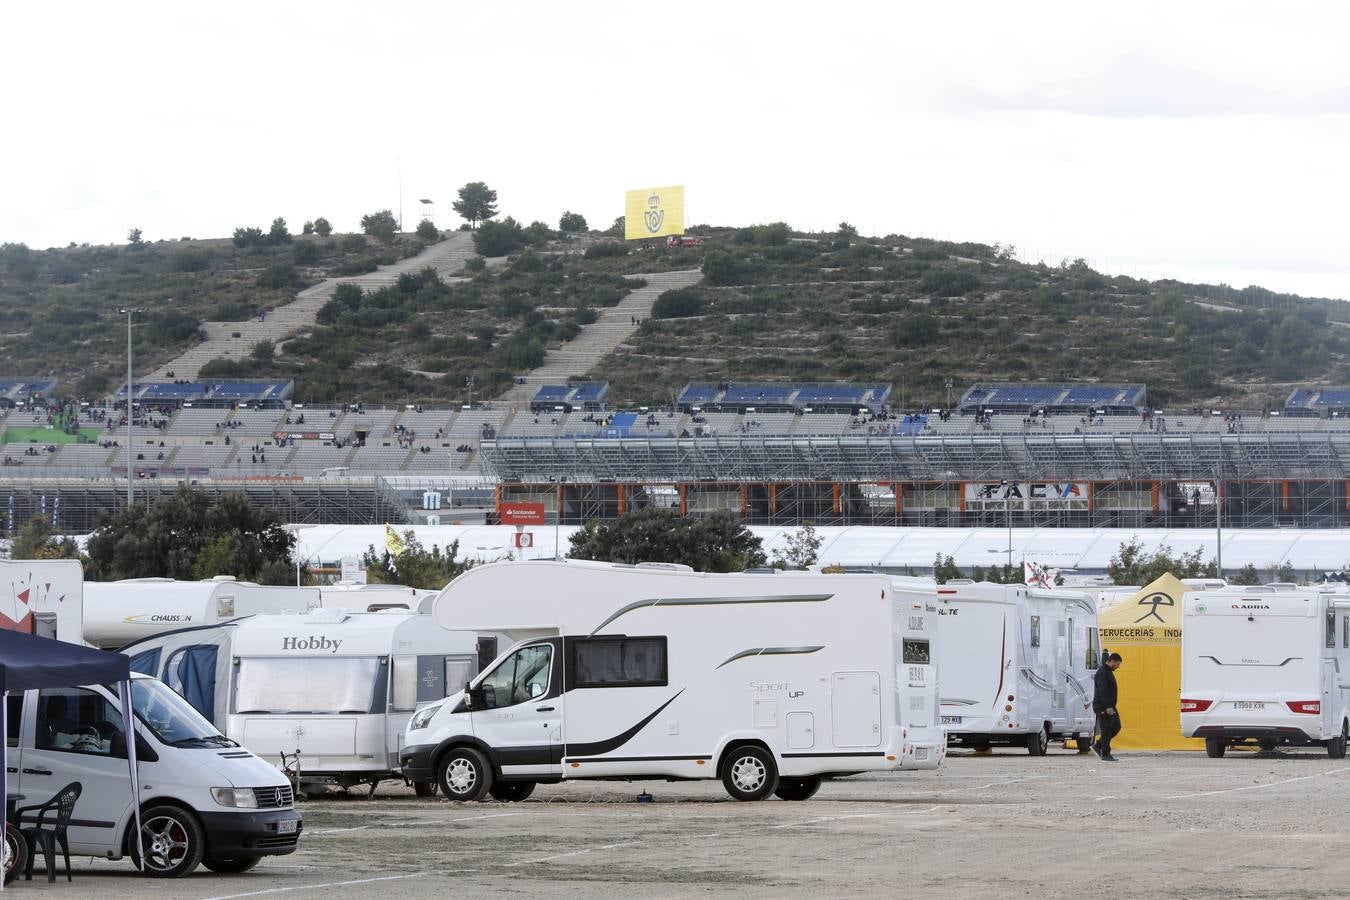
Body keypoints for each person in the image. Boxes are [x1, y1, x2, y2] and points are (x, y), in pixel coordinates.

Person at [1093, 652, 1123, 761]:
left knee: (1116, 727)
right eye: (1117, 664)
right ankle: (1105, 754)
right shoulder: (1103, 673)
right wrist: (1107, 708)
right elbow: (1102, 691)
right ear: (1112, 661)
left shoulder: (1108, 671)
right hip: (1104, 707)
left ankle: (1098, 745)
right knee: (1107, 729)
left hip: (1110, 706)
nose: (1118, 666)